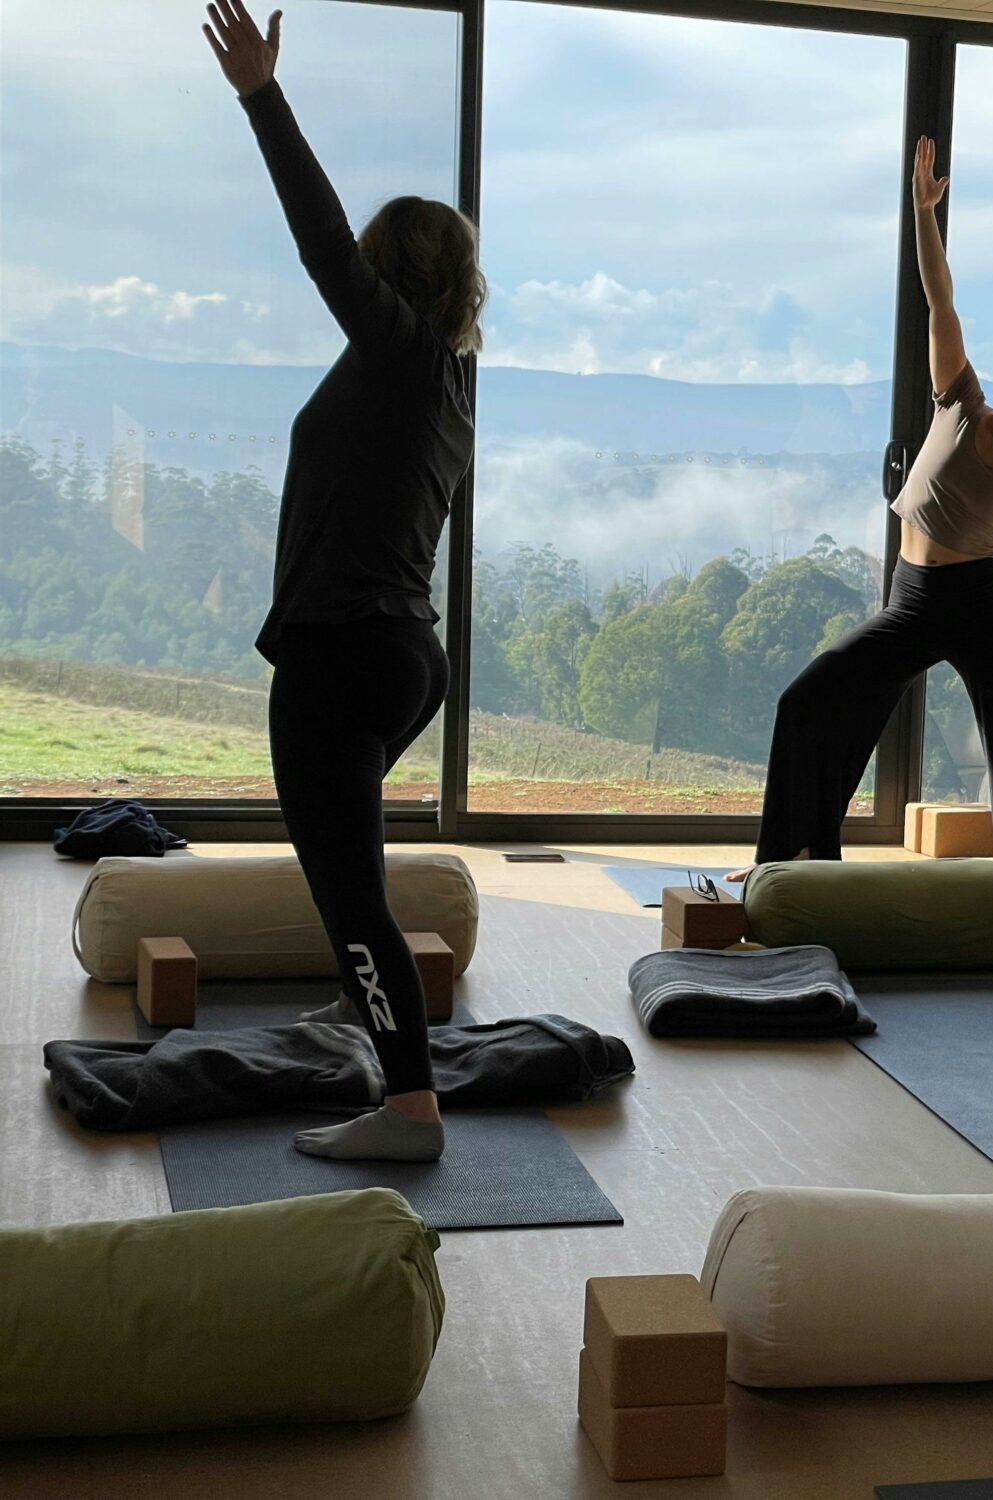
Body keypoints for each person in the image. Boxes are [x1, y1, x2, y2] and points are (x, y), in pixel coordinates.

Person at [203, 0, 484, 1162]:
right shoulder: (447, 384)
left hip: (343, 656)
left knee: (349, 888)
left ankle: (408, 1110)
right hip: (400, 653)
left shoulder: (400, 358)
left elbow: (318, 239)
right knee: (344, 877)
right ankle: (370, 1013)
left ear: (383, 276)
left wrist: (264, 99)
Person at [732, 136, 993, 879]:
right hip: (913, 598)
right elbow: (938, 294)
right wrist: (923, 214)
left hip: (977, 608)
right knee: (809, 704)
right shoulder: (958, 398)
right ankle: (793, 859)